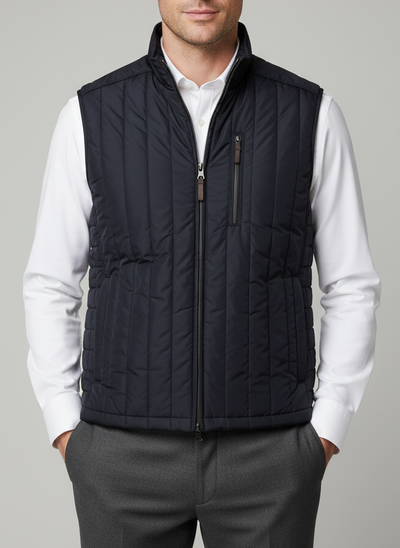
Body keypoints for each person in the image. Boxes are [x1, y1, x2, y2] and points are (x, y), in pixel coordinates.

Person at [23, 1, 381, 547]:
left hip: (269, 460)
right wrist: (68, 429)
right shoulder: (91, 114)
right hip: (121, 458)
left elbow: (351, 284)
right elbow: (50, 282)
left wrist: (324, 432)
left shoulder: (310, 113)